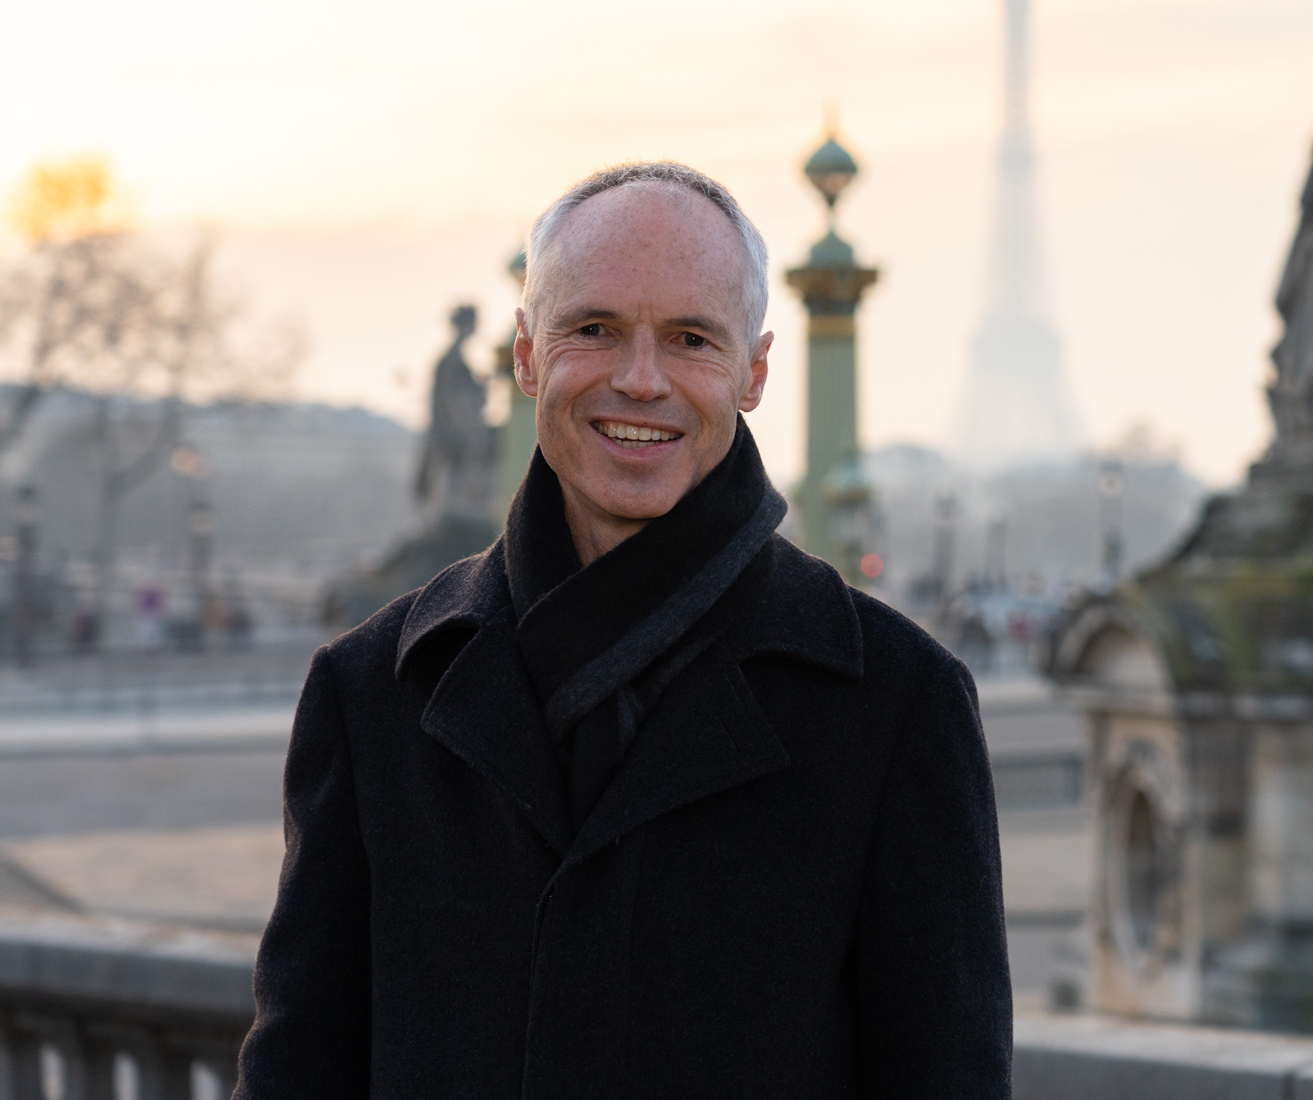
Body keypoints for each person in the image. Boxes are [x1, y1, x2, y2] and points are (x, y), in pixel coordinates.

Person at [235, 162, 1011, 1098]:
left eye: (689, 339)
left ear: (753, 371)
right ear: (526, 354)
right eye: (594, 330)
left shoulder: (897, 704)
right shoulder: (369, 695)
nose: (641, 381)